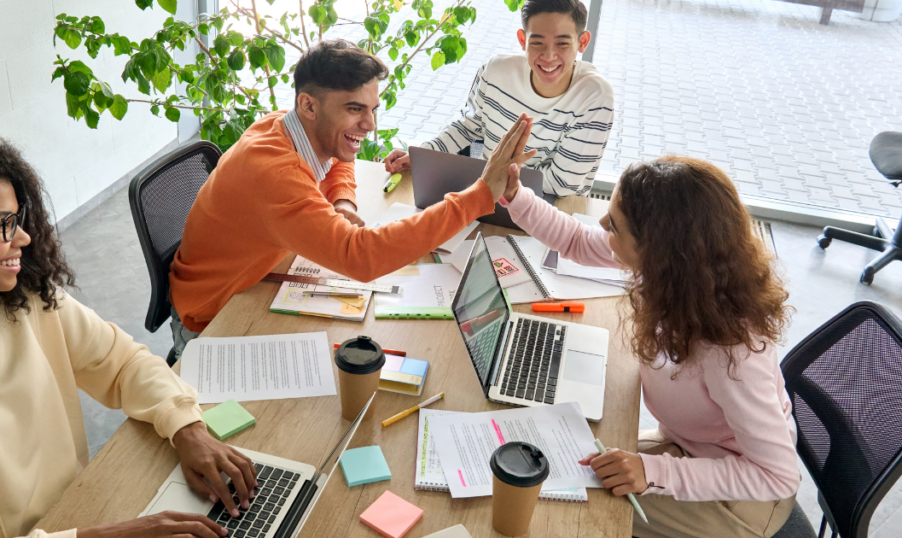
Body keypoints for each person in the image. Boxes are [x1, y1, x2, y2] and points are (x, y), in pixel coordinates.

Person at [0, 126, 260, 538]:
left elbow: (124, 363)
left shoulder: (27, 300)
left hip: (80, 513)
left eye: (18, 218)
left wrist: (188, 427)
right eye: (2, 224)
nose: (23, 236)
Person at [169, 39, 535, 353]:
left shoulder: (286, 125)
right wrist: (478, 195)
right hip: (212, 319)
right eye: (354, 109)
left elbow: (338, 157)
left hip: (257, 279)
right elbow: (361, 257)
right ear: (309, 106)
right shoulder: (274, 174)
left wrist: (341, 201)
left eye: (373, 109)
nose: (370, 125)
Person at [499, 156, 799, 538]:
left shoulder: (730, 352)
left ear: (657, 249)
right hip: (688, 446)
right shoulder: (672, 276)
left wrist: (652, 472)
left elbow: (777, 476)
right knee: (554, 464)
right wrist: (515, 195)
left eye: (614, 225)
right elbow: (575, 239)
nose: (602, 226)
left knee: (563, 506)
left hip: (743, 498)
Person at [383, 0, 614, 197]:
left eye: (562, 43)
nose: (549, 56)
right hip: (487, 193)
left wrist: (489, 176)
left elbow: (562, 185)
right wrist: (424, 154)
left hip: (548, 208)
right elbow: (469, 129)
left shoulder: (594, 96)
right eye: (537, 42)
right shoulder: (495, 70)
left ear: (582, 42)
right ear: (523, 40)